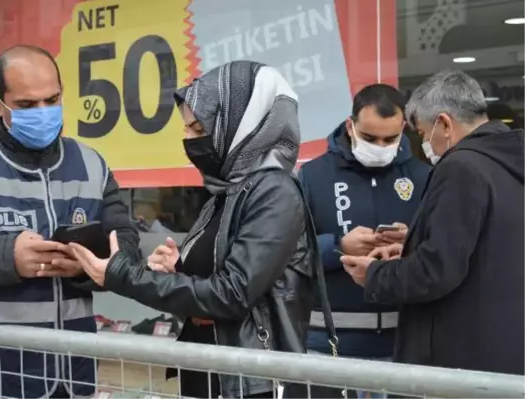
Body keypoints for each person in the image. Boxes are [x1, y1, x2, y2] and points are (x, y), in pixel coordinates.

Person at [68, 61, 320, 399]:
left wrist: (122, 276)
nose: (188, 139)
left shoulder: (274, 193)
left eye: (199, 128)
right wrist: (181, 268)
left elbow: (232, 294)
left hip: (252, 377)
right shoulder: (227, 190)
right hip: (212, 366)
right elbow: (220, 279)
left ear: (239, 124)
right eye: (187, 128)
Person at [0, 45, 140, 399]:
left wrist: (89, 266)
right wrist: (7, 257)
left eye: (52, 99)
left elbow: (125, 245)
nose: (43, 112)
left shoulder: (92, 165)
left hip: (69, 374)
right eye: (26, 105)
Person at [340, 70, 525, 379]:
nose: (424, 143)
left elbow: (437, 271)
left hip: (459, 357)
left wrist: (374, 275)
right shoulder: (508, 165)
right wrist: (414, 244)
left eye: (423, 133)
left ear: (444, 124)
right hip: (504, 351)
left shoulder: (461, 168)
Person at [299, 84, 429, 399]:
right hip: (327, 345)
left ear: (404, 129)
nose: (380, 146)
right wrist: (337, 247)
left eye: (390, 139)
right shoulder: (312, 176)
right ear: (350, 126)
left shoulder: (424, 176)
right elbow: (286, 252)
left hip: (402, 343)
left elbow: (443, 252)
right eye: (370, 138)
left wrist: (409, 244)